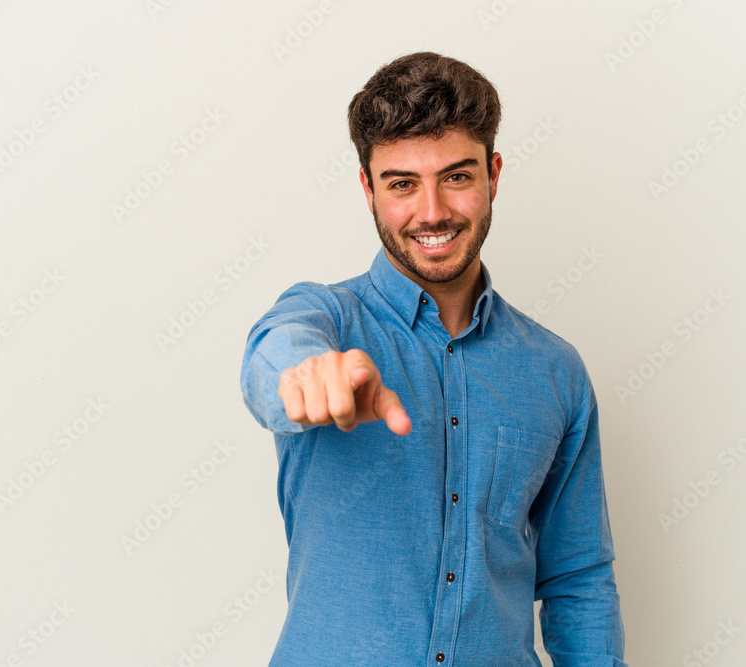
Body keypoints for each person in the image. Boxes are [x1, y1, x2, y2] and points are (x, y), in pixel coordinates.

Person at [240, 51, 627, 666]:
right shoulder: (324, 321)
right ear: (368, 188)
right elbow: (273, 360)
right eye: (401, 184)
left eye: (456, 176)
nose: (432, 212)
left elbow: (578, 578)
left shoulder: (556, 372)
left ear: (493, 175)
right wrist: (305, 376)